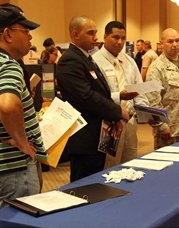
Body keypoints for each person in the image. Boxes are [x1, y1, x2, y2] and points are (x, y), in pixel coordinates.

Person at [56, 16, 129, 182]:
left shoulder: (86, 58)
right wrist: (117, 111)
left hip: (96, 135)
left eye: (95, 32)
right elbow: (86, 96)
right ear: (75, 35)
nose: (95, 37)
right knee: (84, 188)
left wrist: (113, 116)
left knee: (96, 184)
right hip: (84, 138)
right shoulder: (70, 60)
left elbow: (101, 92)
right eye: (90, 33)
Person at [0, 3, 47, 212]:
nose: (30, 38)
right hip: (11, 167)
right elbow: (7, 104)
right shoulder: (7, 65)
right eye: (26, 31)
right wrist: (22, 142)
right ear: (7, 34)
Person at [92, 21, 149, 168]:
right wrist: (119, 96)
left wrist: (147, 111)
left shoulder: (129, 61)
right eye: (115, 37)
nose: (120, 42)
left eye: (123, 38)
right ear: (105, 37)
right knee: (110, 166)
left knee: (131, 164)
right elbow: (95, 96)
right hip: (109, 122)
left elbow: (139, 90)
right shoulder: (94, 61)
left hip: (129, 121)